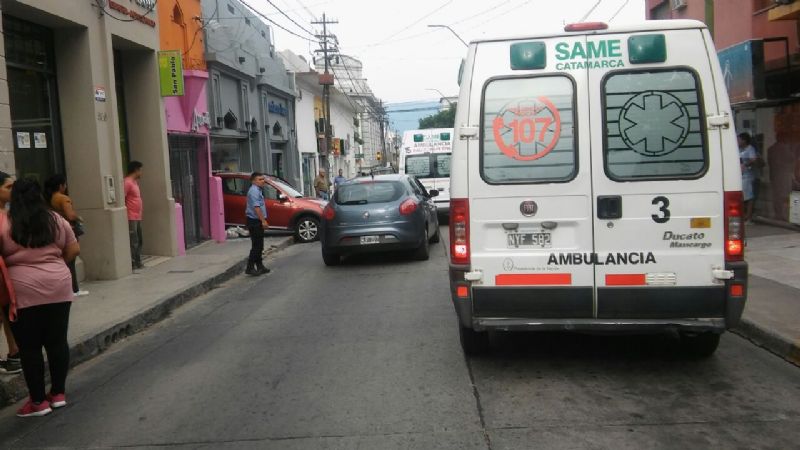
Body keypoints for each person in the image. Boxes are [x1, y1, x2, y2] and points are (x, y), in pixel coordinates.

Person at [0, 178, 79, 417]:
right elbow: (74, 249)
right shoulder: (56, 219)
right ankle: (58, 394)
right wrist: (54, 265)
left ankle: (37, 402)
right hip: (59, 286)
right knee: (57, 341)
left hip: (23, 290)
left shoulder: (6, 224)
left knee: (30, 347)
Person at [45, 174, 87, 297]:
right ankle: (74, 289)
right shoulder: (63, 198)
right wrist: (79, 218)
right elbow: (70, 215)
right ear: (60, 186)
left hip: (56, 231)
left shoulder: (49, 199)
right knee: (71, 260)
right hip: (69, 230)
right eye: (65, 184)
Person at [0, 172, 20, 375]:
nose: (12, 191)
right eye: (8, 187)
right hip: (3, 275)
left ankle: (14, 353)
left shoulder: (11, 215)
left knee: (9, 315)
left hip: (12, 276)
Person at [245, 172, 270, 276]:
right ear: (253, 181)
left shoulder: (258, 190)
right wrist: (263, 221)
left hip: (256, 220)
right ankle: (250, 268)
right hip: (254, 221)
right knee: (256, 246)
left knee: (260, 245)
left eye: (263, 179)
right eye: (260, 179)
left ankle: (260, 266)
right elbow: (256, 208)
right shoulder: (254, 191)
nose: (262, 181)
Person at [125, 161, 144, 270]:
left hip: (137, 216)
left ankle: (138, 260)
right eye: (140, 170)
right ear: (136, 170)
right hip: (131, 216)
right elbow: (123, 197)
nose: (141, 173)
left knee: (139, 239)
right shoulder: (127, 182)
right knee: (134, 240)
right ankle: (134, 262)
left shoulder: (134, 182)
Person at [738, 133, 758, 222]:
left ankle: (748, 217)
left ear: (744, 140)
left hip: (747, 176)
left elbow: (753, 159)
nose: (738, 141)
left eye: (739, 139)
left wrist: (745, 164)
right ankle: (744, 215)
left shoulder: (750, 149)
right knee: (742, 197)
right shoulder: (740, 149)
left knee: (749, 197)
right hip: (741, 176)